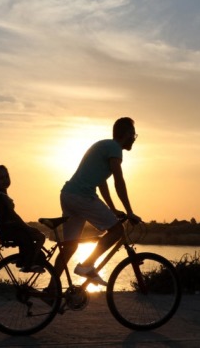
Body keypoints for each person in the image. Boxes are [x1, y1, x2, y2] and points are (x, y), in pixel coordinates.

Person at [53, 117, 141, 285]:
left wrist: (113, 209)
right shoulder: (115, 148)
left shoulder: (105, 146)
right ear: (127, 134)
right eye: (133, 135)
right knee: (117, 231)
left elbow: (102, 182)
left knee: (70, 246)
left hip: (68, 195)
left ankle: (51, 290)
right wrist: (129, 211)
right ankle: (86, 265)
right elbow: (118, 181)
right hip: (82, 196)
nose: (134, 139)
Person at [0, 165, 46, 273]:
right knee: (40, 237)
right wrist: (27, 227)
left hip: (8, 229)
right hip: (10, 230)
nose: (5, 180)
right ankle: (29, 263)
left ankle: (24, 258)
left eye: (6, 176)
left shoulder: (0, 194)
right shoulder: (0, 196)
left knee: (33, 238)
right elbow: (13, 215)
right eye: (1, 178)